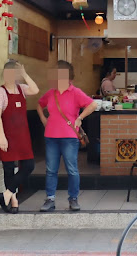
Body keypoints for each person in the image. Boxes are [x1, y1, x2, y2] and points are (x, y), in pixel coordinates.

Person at [36, 60, 98, 212]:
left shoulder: (75, 92)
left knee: (72, 169)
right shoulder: (51, 93)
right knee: (51, 170)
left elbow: (93, 104)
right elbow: (39, 104)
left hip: (70, 137)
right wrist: (43, 119)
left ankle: (73, 198)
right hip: (51, 136)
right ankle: (50, 199)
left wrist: (80, 117)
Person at [0, 60, 39, 214]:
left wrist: (24, 73)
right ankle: (13, 201)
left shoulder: (22, 89)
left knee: (29, 166)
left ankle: (6, 194)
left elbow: (35, 90)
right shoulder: (0, 92)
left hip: (22, 136)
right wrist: (2, 137)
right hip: (7, 136)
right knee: (8, 169)